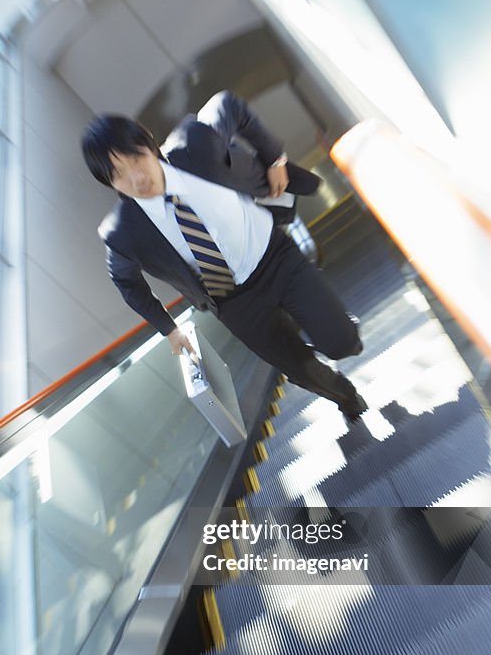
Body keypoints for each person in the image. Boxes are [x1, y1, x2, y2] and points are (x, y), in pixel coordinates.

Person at [81, 90, 367, 421]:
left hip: (275, 257)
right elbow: (125, 281)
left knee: (342, 343)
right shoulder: (122, 232)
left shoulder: (194, 144)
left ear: (149, 143)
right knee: (301, 370)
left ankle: (335, 329)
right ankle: (346, 398)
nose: (136, 178)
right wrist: (169, 329)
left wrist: (275, 159)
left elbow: (228, 104)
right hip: (233, 303)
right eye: (118, 175)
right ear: (109, 183)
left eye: (135, 159)